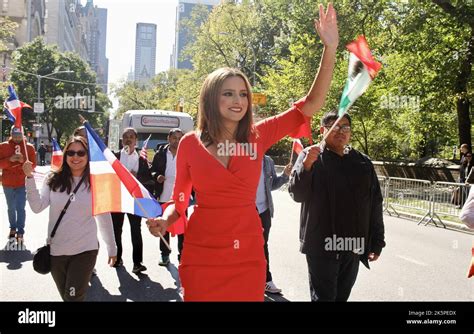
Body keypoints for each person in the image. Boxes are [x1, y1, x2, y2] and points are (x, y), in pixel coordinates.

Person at [146, 3, 339, 301]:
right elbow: (180, 203)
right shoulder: (188, 144)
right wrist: (165, 220)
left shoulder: (259, 135)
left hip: (246, 250)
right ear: (211, 98)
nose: (238, 101)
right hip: (201, 252)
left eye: (243, 94)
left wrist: (330, 48)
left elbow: (311, 104)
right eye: (228, 93)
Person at [288, 110, 385, 301]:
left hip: (353, 246)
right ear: (322, 130)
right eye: (334, 127)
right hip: (321, 245)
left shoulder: (362, 162)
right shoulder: (312, 156)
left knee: (341, 297)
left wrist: (377, 241)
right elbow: (297, 194)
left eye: (345, 127)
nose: (341, 131)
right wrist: (306, 166)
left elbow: (374, 203)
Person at [22, 136, 117, 301]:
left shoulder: (96, 183)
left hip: (85, 250)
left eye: (81, 153)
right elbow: (37, 207)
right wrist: (29, 178)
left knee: (73, 297)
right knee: (68, 298)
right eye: (71, 152)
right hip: (57, 251)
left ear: (88, 156)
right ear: (65, 156)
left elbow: (104, 219)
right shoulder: (53, 180)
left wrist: (112, 248)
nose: (76, 157)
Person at [111, 127, 153, 274]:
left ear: (136, 140)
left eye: (131, 136)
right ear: (122, 140)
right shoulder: (114, 157)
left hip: (135, 201)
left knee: (136, 231)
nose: (128, 139)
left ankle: (137, 263)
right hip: (118, 200)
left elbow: (148, 180)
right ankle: (118, 258)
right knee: (117, 230)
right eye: (126, 136)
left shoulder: (142, 160)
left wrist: (137, 178)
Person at [256, 155, 292, 294]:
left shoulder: (267, 161)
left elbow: (271, 185)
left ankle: (266, 280)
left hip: (264, 210)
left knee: (263, 245)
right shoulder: (240, 156)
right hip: (245, 211)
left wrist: (284, 175)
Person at [150, 128, 185, 266]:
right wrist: (157, 176)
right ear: (168, 139)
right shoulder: (160, 154)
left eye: (179, 138)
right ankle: (164, 255)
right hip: (164, 195)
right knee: (163, 225)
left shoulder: (186, 152)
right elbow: (152, 170)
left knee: (182, 228)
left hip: (182, 197)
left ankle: (182, 255)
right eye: (174, 138)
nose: (177, 141)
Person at [0, 126, 36, 242]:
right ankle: (12, 228)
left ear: (23, 135)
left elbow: (33, 165)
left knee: (20, 208)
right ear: (11, 134)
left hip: (21, 182)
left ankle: (20, 231)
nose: (17, 138)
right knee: (11, 207)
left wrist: (23, 162)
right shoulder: (3, 146)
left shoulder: (28, 147)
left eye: (19, 136)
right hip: (7, 182)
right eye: (14, 135)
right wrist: (9, 160)